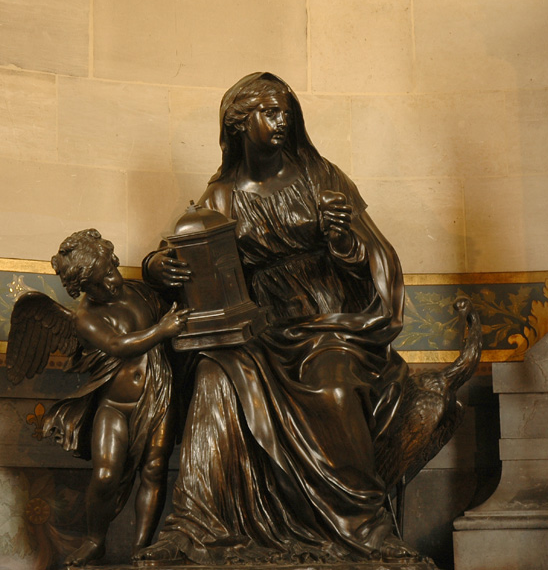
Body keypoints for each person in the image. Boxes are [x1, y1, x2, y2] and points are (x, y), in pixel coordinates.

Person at [137, 73, 415, 564]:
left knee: (332, 387)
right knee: (211, 381)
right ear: (239, 124)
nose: (281, 119)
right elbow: (186, 248)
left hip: (326, 319)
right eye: (268, 111)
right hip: (256, 325)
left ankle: (367, 529)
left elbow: (372, 254)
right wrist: (159, 267)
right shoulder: (221, 194)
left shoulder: (321, 176)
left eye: (285, 109)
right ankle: (195, 527)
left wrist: (341, 239)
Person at [44, 229, 190, 566]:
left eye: (112, 269)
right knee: (106, 474)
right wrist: (161, 330)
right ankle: (95, 540)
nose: (112, 280)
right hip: (116, 406)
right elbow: (118, 346)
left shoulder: (137, 290)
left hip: (159, 395)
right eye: (100, 280)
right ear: (84, 287)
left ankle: (143, 547)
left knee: (154, 469)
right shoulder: (86, 318)